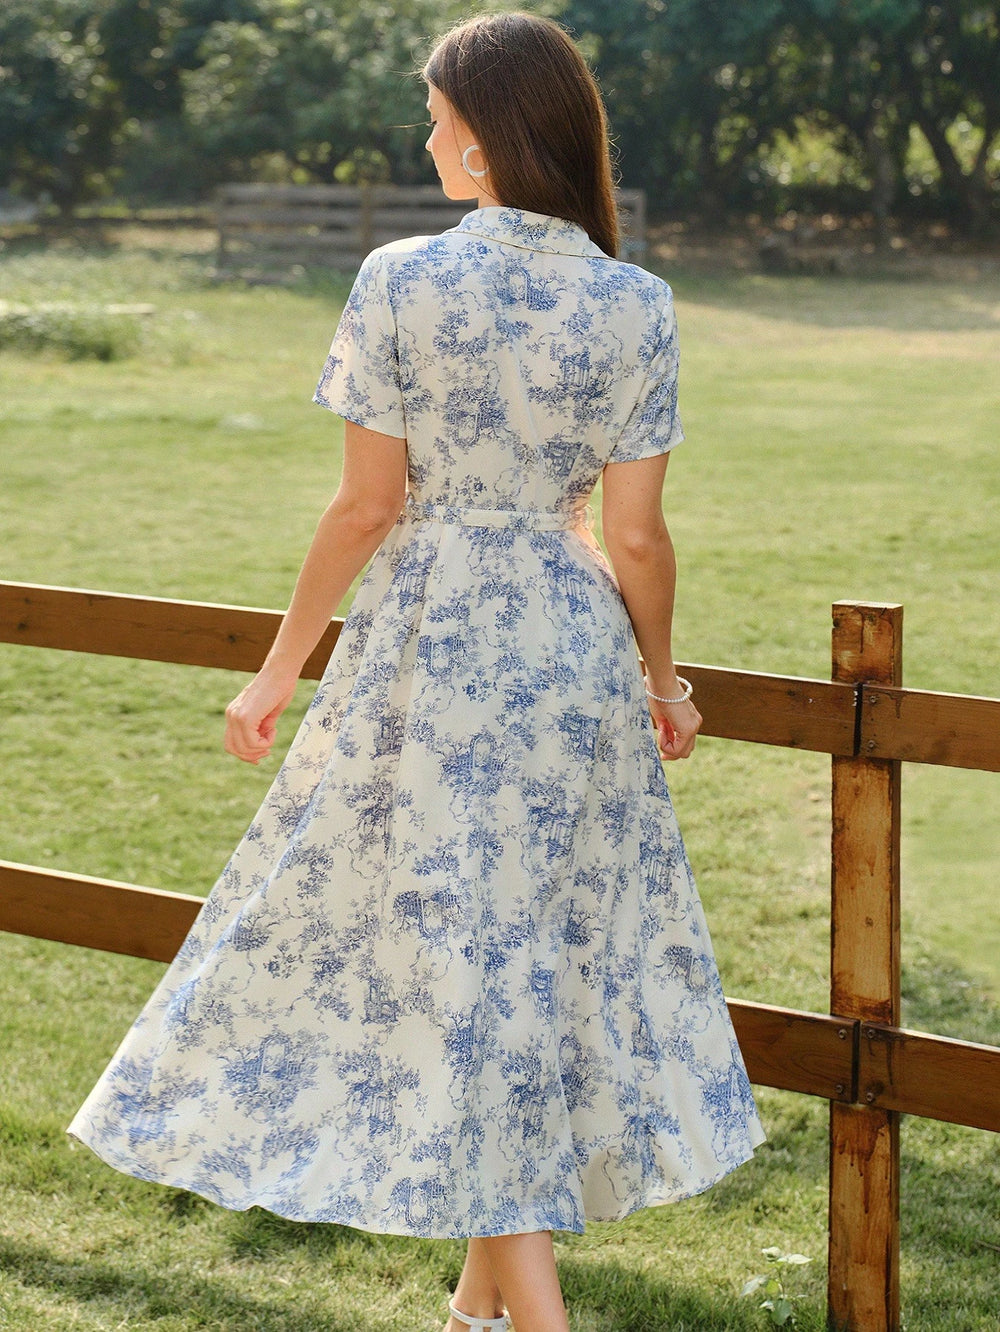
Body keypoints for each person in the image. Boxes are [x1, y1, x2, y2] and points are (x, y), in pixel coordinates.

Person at [67, 13, 765, 1332]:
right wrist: (663, 688)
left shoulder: (400, 279)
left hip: (429, 657)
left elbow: (362, 511)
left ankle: (534, 1321)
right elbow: (635, 538)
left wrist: (278, 674)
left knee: (469, 976)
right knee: (516, 974)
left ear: (496, 129)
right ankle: (476, 1316)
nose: (429, 136)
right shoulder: (636, 303)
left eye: (441, 114)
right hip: (572, 660)